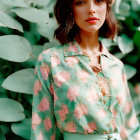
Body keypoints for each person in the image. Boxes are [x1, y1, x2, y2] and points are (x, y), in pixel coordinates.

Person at [31, 0, 140, 140]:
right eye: (80, 2)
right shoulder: (50, 61)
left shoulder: (116, 65)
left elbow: (130, 128)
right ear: (69, 9)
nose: (91, 9)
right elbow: (42, 130)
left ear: (107, 7)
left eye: (99, 1)